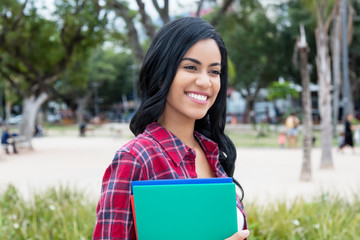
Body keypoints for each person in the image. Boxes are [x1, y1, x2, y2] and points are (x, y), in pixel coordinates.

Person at [92, 17, 249, 240]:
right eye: (191, 67)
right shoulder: (136, 159)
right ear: (160, 75)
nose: (205, 82)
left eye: (214, 71)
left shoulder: (214, 153)